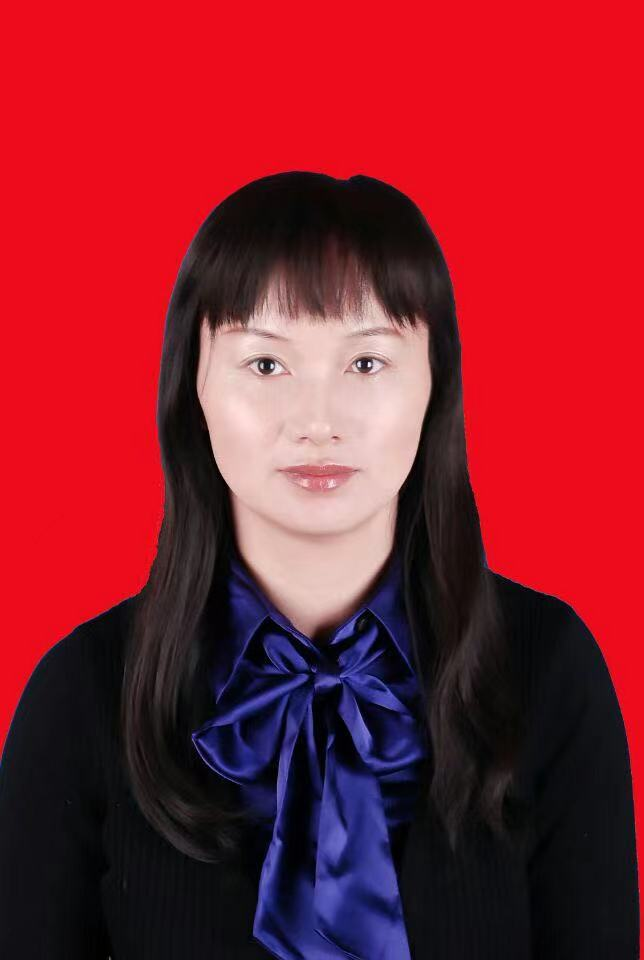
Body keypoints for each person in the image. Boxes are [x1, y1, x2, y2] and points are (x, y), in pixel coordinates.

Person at [0, 171, 639, 959]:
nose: (317, 422)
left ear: (435, 385)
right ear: (193, 386)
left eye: (365, 363)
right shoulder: (82, 691)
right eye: (266, 365)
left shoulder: (547, 667)